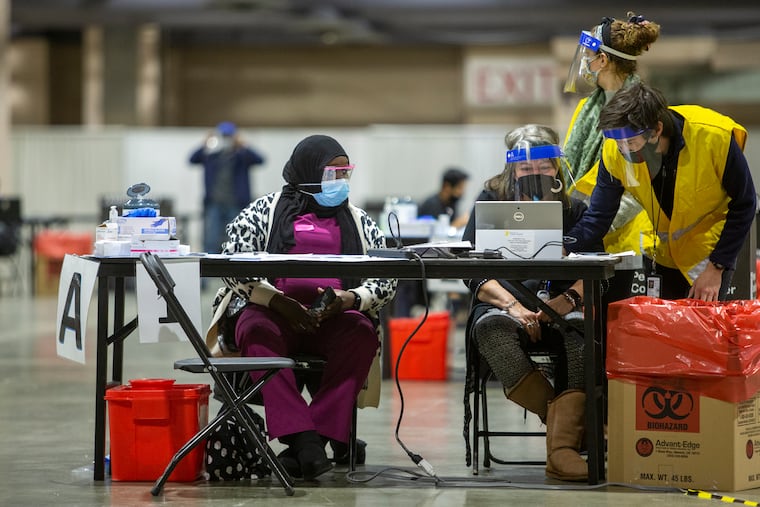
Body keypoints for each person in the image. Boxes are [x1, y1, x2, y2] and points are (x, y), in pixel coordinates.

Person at [215, 134, 397, 480]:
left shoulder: (359, 220)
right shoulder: (261, 212)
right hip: (274, 312)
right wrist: (278, 302)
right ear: (307, 172)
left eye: (346, 173)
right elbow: (232, 265)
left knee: (361, 333)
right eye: (333, 173)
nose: (342, 182)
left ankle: (309, 442)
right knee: (254, 329)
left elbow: (385, 279)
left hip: (334, 316)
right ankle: (307, 440)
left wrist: (350, 299)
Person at [462, 124, 603, 481]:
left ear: (557, 168)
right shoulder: (491, 201)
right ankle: (571, 435)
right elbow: (470, 269)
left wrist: (564, 300)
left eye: (544, 166)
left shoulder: (576, 208)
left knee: (581, 333)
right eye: (526, 168)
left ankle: (561, 450)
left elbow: (597, 267)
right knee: (491, 330)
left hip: (561, 305)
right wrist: (512, 305)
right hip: (504, 305)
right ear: (513, 169)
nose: (535, 173)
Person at [564, 83, 756, 301]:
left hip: (707, 255)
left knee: (702, 331)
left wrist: (716, 268)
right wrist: (562, 246)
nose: (621, 150)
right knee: (662, 332)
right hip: (661, 256)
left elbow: (745, 203)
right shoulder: (614, 151)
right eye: (617, 142)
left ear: (656, 130)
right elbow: (598, 216)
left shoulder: (714, 137)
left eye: (629, 142)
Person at [563, 13, 660, 300]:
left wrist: (595, 226)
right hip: (586, 231)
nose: (585, 62)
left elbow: (641, 185)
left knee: (616, 326)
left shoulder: (642, 109)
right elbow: (568, 169)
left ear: (603, 60)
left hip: (624, 238)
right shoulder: (585, 108)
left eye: (589, 55)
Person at [189, 121, 265, 254]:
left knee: (237, 238)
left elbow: (260, 160)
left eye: (229, 136)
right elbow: (192, 159)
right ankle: (207, 273)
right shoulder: (210, 154)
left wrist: (243, 145)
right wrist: (205, 143)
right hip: (214, 203)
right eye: (223, 136)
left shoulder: (241, 154)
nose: (226, 139)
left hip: (236, 203)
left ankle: (236, 272)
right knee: (211, 240)